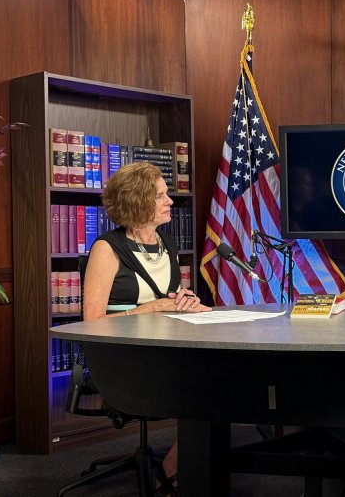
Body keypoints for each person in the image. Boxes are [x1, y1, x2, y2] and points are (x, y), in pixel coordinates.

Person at [83, 162, 211, 495]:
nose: (170, 201)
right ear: (139, 202)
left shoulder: (167, 243)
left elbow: (167, 299)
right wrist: (150, 309)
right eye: (160, 195)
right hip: (120, 360)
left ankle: (186, 467)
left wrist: (184, 302)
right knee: (207, 389)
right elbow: (91, 322)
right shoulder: (106, 249)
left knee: (220, 379)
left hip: (163, 351)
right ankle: (172, 472)